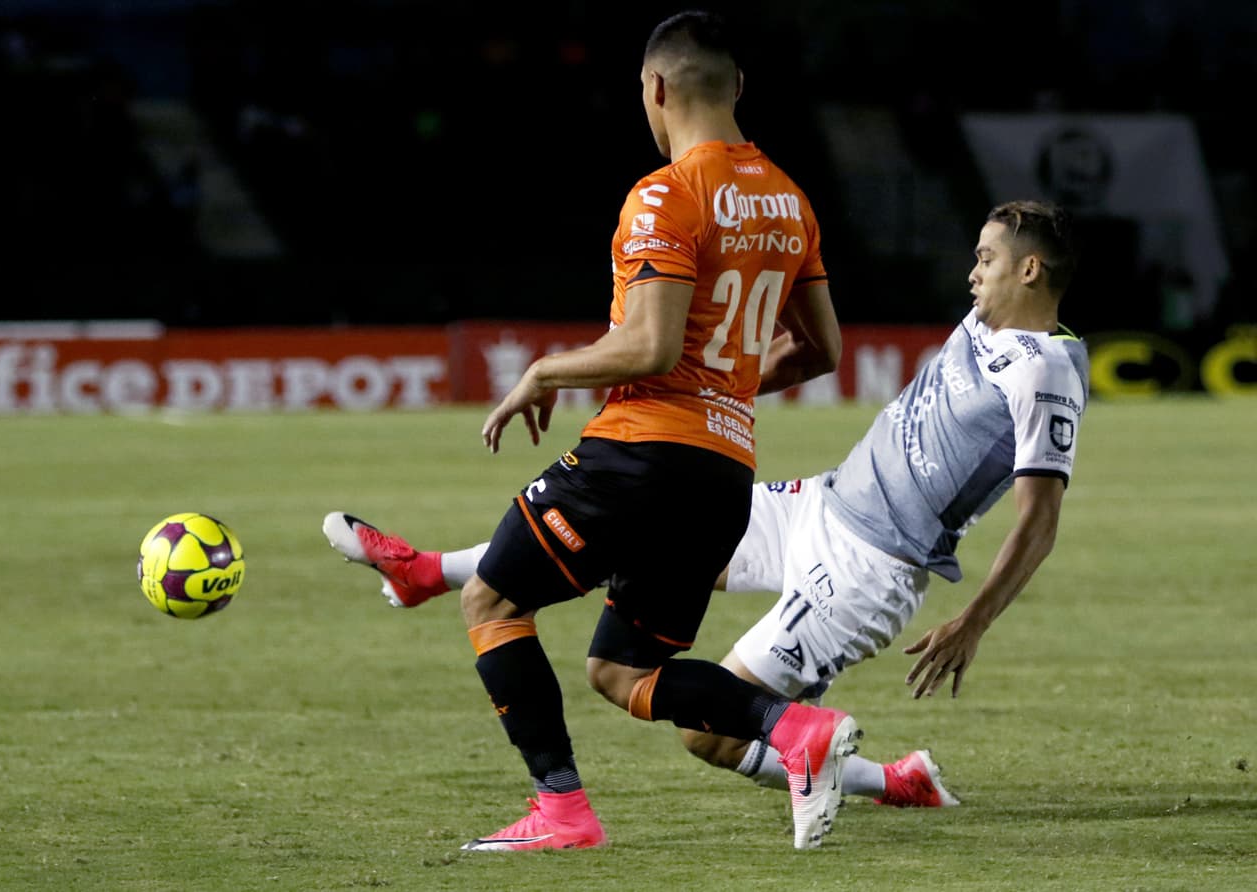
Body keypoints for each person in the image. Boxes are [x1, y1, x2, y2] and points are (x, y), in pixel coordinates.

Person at [326, 199, 1087, 813]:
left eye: (987, 259)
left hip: (868, 567)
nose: (971, 272)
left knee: (705, 732)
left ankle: (890, 782)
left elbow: (1039, 516)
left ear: (1029, 268)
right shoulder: (984, 327)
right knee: (644, 529)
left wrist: (974, 620)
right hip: (816, 504)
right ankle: (426, 572)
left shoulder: (1046, 371)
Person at [327, 10, 850, 852]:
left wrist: (542, 371)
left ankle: (562, 812)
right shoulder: (791, 200)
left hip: (639, 452)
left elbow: (647, 344)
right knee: (624, 670)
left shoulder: (665, 194)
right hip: (723, 476)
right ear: (737, 87)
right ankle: (793, 732)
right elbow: (823, 349)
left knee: (494, 600)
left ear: (656, 88)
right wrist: (724, 390)